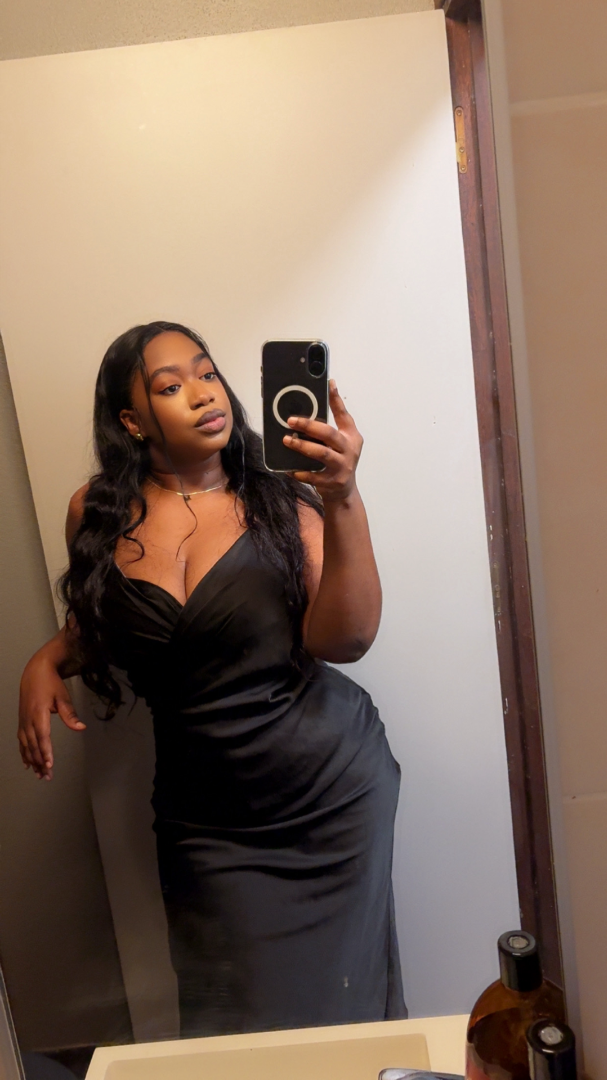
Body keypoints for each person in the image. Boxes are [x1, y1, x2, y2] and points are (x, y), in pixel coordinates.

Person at [18, 321, 405, 1036]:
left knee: (340, 1014)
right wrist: (45, 660)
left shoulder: (281, 501)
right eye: (172, 386)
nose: (203, 394)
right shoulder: (96, 513)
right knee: (233, 1026)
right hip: (208, 822)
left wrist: (343, 497)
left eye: (207, 373)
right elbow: (106, 619)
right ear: (132, 421)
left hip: (326, 797)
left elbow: (345, 640)